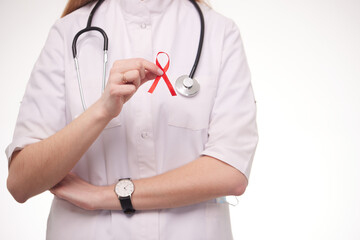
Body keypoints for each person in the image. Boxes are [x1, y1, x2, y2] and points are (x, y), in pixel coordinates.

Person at [6, 0, 258, 239]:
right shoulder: (69, 33)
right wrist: (102, 111)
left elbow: (229, 171)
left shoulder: (219, 32)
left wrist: (104, 197)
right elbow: (21, 182)